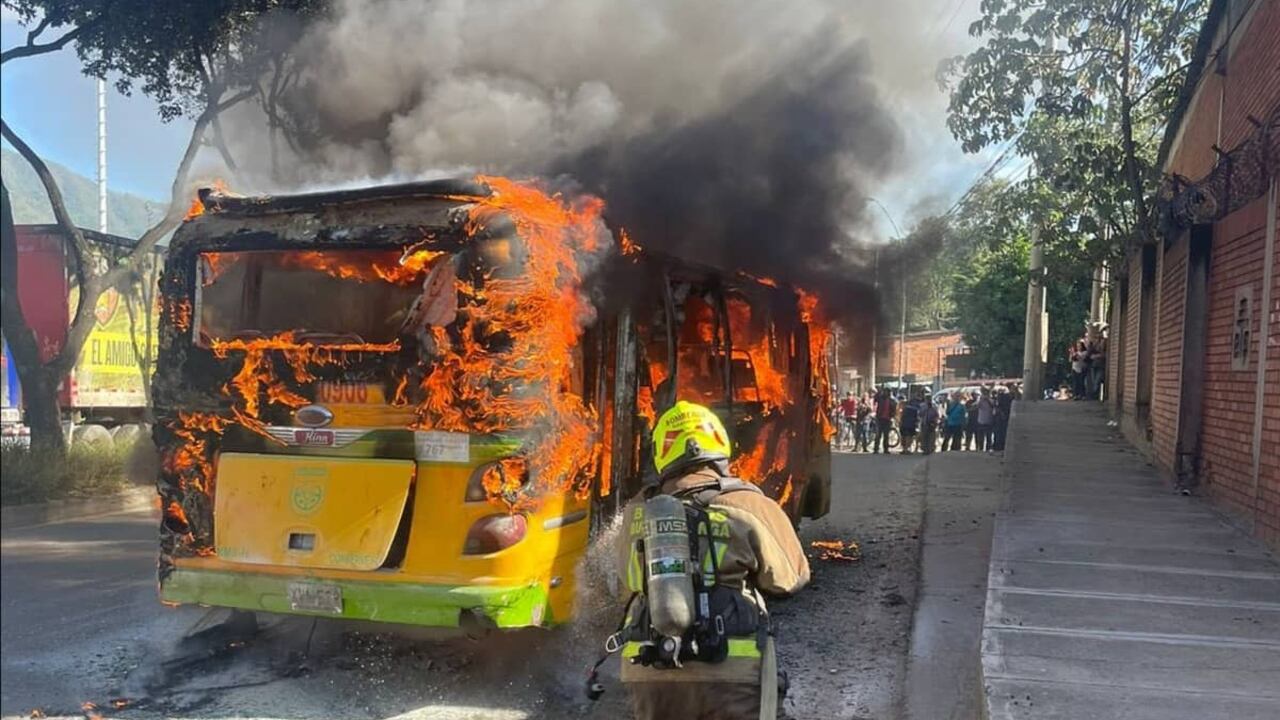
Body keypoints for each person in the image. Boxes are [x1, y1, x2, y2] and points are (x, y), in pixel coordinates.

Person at [614, 401, 809, 719]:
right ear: (719, 445)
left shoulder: (638, 512)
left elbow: (627, 584)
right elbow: (790, 579)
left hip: (649, 669)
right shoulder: (748, 503)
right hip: (731, 669)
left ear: (663, 456)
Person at [873, 388, 897, 454]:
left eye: (887, 392)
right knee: (878, 435)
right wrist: (879, 392)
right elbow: (875, 398)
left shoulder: (892, 400)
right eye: (884, 392)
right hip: (880, 418)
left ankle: (886, 449)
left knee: (886, 435)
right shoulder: (880, 398)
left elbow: (894, 408)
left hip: (887, 419)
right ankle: (876, 449)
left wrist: (892, 416)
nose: (885, 393)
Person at [992, 385, 1014, 453]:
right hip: (1002, 418)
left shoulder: (1004, 397)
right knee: (1000, 433)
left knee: (1000, 433)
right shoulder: (1006, 397)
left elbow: (998, 407)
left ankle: (999, 447)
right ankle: (999, 447)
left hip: (1002, 418)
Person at [975, 387, 995, 452]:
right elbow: (977, 406)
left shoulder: (991, 400)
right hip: (981, 421)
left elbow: (993, 405)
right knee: (981, 437)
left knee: (989, 437)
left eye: (986, 393)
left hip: (989, 421)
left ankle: (988, 449)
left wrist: (988, 399)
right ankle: (980, 449)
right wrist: (981, 400)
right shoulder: (980, 400)